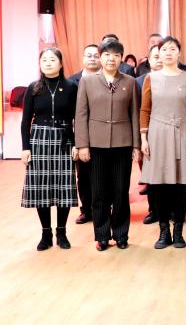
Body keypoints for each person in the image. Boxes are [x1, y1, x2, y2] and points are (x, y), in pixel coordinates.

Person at [75, 39, 140, 251]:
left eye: (116, 55)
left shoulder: (130, 81)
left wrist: (136, 146)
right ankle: (102, 235)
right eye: (107, 55)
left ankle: (121, 234)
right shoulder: (88, 81)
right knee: (99, 192)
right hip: (96, 145)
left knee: (121, 191)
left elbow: (134, 115)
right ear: (101, 57)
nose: (111, 59)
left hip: (123, 144)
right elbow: (81, 114)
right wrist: (82, 145)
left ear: (121, 58)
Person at [140, 37, 186, 249]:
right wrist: (143, 138)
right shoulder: (151, 78)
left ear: (179, 53)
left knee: (180, 186)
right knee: (158, 186)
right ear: (159, 53)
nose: (168, 52)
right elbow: (144, 109)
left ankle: (179, 232)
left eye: (172, 49)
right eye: (164, 49)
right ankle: (164, 231)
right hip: (157, 134)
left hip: (182, 132)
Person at [21, 48, 79, 251]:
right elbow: (25, 121)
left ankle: (61, 232)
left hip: (64, 139)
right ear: (40, 64)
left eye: (52, 59)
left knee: (64, 186)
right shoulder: (33, 88)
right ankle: (46, 234)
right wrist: (25, 147)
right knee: (41, 187)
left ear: (61, 64)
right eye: (44, 59)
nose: (47, 63)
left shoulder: (71, 87)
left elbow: (77, 118)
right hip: (39, 140)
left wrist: (77, 144)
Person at [69, 44, 101, 225]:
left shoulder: (106, 78)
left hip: (102, 134)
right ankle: (86, 210)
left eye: (96, 55)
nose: (92, 59)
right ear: (83, 58)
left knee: (102, 175)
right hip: (80, 134)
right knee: (83, 176)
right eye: (89, 55)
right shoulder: (72, 82)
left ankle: (102, 209)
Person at [135, 44, 162, 225]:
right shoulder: (138, 82)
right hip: (148, 135)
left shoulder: (180, 79)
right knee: (151, 176)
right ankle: (154, 210)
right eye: (155, 57)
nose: (159, 59)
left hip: (171, 133)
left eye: (162, 55)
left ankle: (173, 209)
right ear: (149, 60)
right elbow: (136, 111)